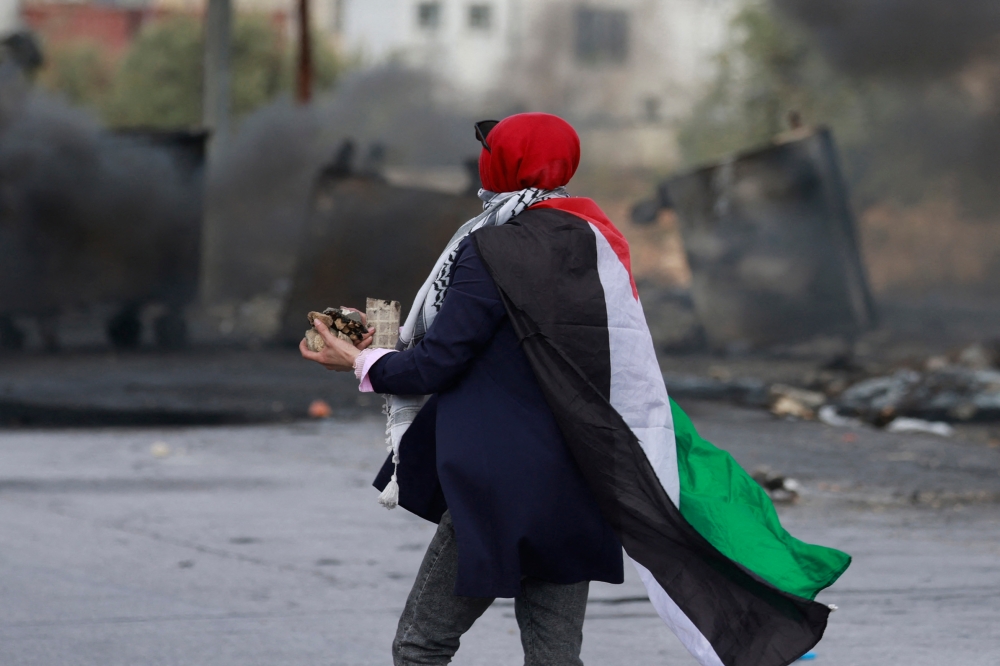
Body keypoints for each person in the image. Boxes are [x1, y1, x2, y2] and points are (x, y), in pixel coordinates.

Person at [302, 113, 851, 666]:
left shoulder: (490, 248)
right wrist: (376, 351)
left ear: (506, 164)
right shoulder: (594, 241)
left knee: (421, 645)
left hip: (501, 483)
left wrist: (360, 358)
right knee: (555, 658)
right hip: (578, 475)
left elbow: (438, 363)